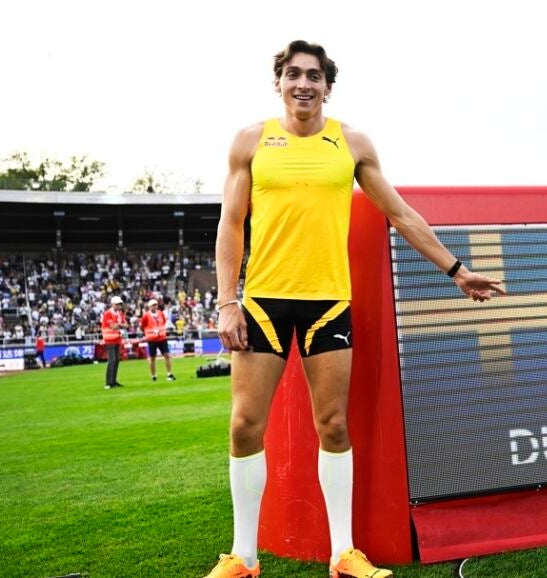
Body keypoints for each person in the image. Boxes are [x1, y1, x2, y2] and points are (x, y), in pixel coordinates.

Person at [207, 40, 504, 578]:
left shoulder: (353, 143)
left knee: (334, 424)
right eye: (293, 74)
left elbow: (401, 213)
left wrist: (457, 270)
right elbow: (231, 223)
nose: (303, 84)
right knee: (245, 424)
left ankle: (343, 553)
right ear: (278, 83)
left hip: (328, 303)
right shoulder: (250, 141)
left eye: (313, 76)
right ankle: (242, 558)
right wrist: (228, 301)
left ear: (327, 86)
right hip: (264, 302)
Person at [140, 298, 176, 381]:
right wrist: (148, 333)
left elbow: (163, 322)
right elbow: (142, 326)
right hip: (152, 339)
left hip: (162, 338)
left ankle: (169, 374)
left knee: (167, 355)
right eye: (153, 305)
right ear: (150, 307)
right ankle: (153, 375)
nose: (155, 307)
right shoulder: (146, 316)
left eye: (156, 305)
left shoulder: (160, 313)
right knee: (152, 357)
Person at [101, 296, 128, 389]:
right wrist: (121, 325)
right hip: (110, 339)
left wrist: (119, 325)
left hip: (117, 339)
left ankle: (113, 381)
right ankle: (108, 382)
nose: (119, 306)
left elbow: (126, 325)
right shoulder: (108, 313)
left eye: (119, 304)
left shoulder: (119, 314)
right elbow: (113, 326)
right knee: (112, 360)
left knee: (116, 360)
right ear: (112, 304)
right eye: (117, 304)